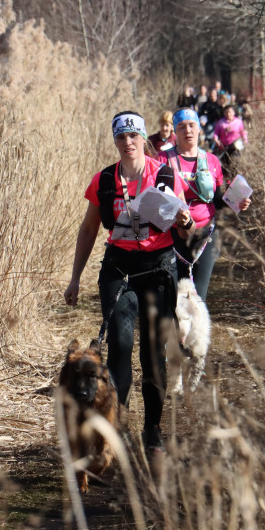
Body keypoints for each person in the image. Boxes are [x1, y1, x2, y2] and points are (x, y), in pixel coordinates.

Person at [64, 111, 194, 455]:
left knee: (153, 355)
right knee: (120, 346)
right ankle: (115, 426)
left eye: (134, 136)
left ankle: (152, 428)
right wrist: (75, 278)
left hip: (157, 269)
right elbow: (89, 229)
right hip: (118, 270)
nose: (128, 143)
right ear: (115, 141)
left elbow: (186, 229)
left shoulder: (164, 174)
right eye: (121, 138)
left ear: (144, 139)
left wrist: (185, 222)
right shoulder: (105, 180)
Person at [158, 108, 251, 301]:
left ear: (199, 129)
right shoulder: (162, 159)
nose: (187, 131)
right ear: (175, 131)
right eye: (181, 127)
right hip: (173, 235)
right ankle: (175, 331)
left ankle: (196, 331)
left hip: (206, 235)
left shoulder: (212, 161)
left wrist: (237, 204)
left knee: (198, 296)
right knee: (174, 296)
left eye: (192, 126)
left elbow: (218, 199)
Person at [213, 104, 248, 177]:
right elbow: (216, 133)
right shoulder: (221, 122)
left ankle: (235, 181)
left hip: (235, 147)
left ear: (233, 112)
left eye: (230, 112)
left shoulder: (238, 122)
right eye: (226, 112)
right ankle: (227, 183)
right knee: (225, 166)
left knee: (234, 165)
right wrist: (216, 140)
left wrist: (245, 141)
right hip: (224, 147)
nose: (228, 114)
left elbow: (242, 132)